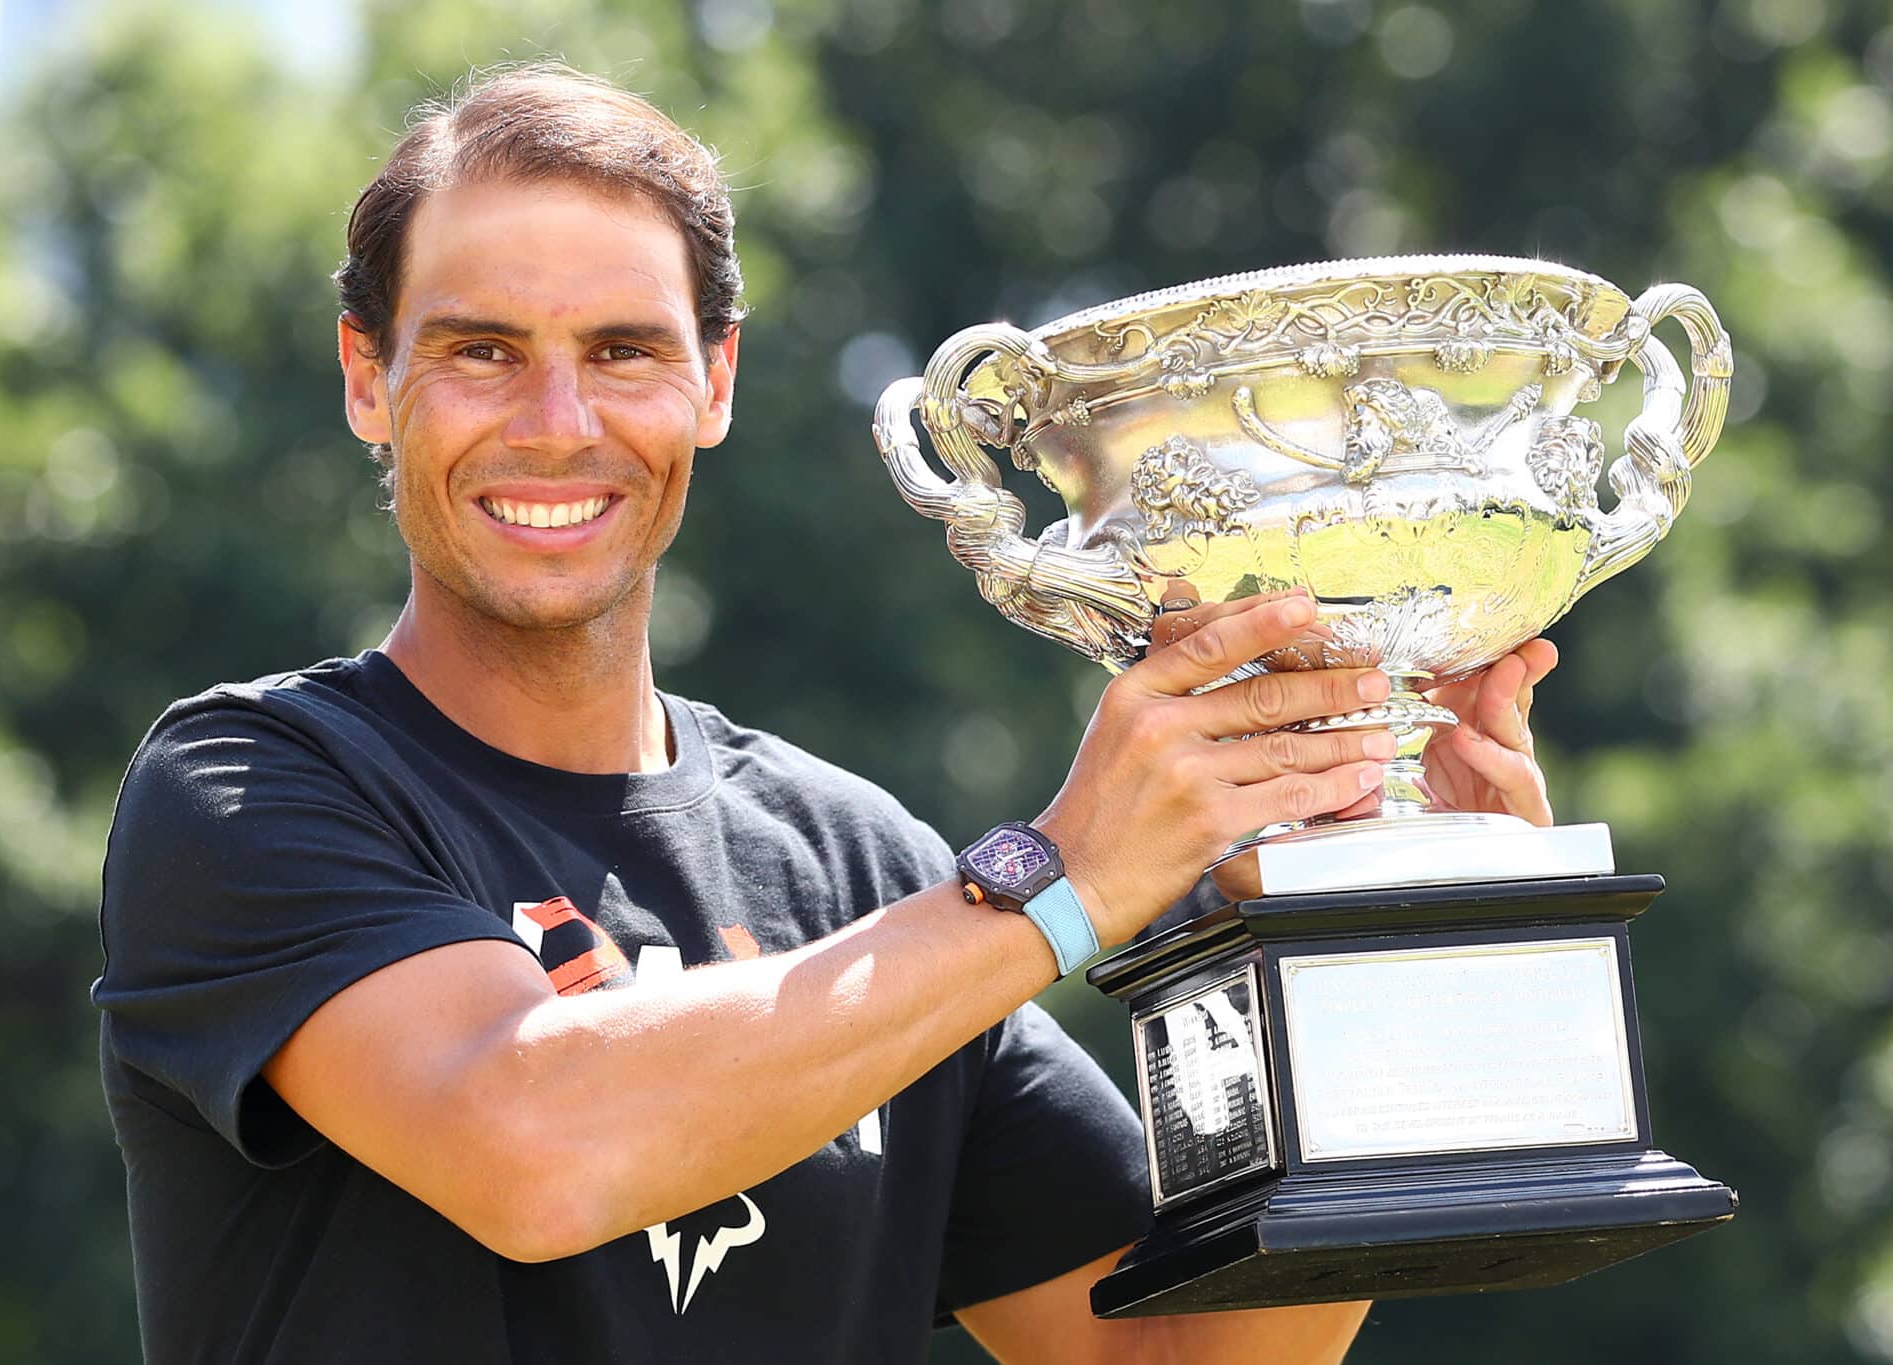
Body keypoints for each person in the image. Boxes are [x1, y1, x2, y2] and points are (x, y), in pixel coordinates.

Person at [92, 64, 1559, 1364]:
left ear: (715, 381)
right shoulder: (247, 788)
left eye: (623, 350)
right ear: (370, 379)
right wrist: (1063, 881)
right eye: (482, 349)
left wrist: (1383, 940)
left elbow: (1181, 1362)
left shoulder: (862, 864)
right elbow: (532, 1148)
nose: (557, 422)